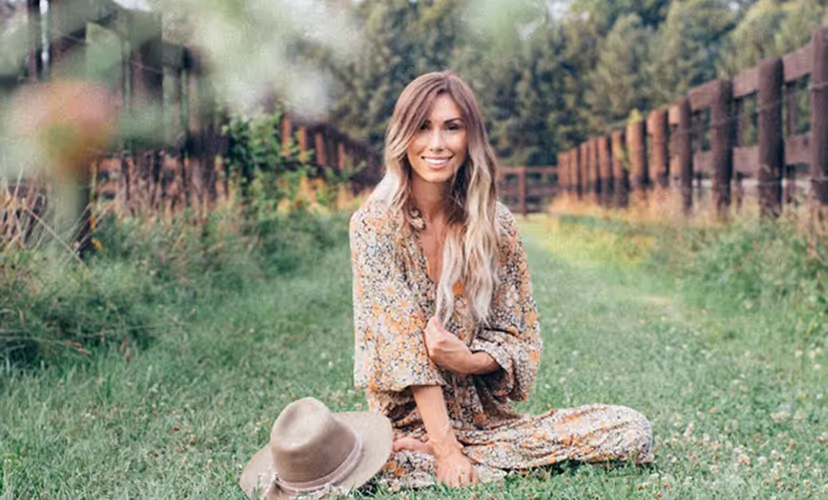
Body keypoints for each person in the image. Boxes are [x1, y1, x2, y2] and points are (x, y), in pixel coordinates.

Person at [348, 71, 653, 491]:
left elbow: (519, 337)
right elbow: (404, 352)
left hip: (489, 423)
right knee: (373, 466)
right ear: (403, 136)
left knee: (629, 430)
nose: (436, 144)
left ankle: (438, 462)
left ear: (470, 137)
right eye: (422, 127)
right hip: (410, 422)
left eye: (451, 127)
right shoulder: (374, 226)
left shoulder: (497, 225)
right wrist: (447, 448)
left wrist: (467, 360)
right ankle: (413, 455)